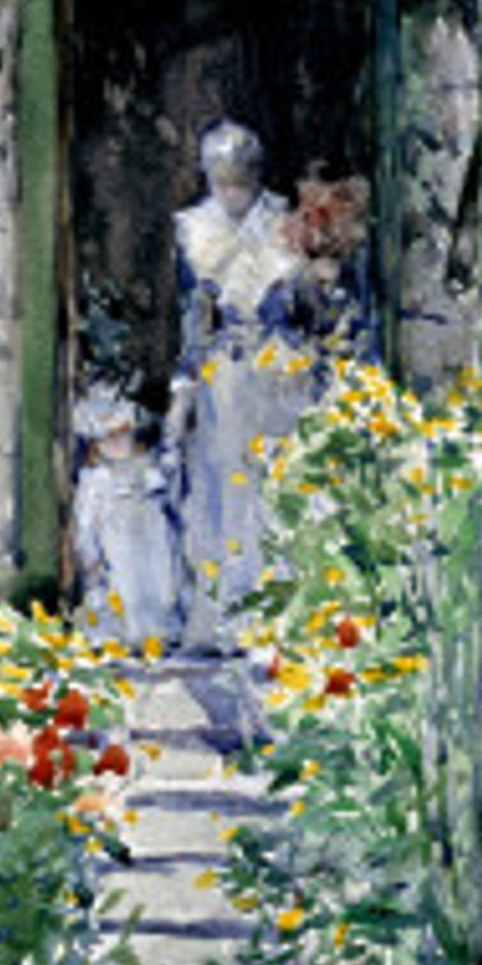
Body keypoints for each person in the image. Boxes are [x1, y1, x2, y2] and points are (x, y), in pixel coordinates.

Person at [166, 121, 315, 650]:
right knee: (219, 485)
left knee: (271, 486)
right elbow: (192, 316)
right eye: (221, 182)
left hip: (277, 373)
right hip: (222, 374)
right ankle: (221, 617)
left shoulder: (282, 221)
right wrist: (183, 389)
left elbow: (304, 309)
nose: (231, 193)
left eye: (240, 182)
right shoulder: (194, 227)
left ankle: (274, 616)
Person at [72, 388, 180, 649]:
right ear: (96, 444)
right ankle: (126, 636)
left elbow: (167, 497)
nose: (117, 444)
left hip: (151, 536)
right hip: (116, 539)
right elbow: (86, 520)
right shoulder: (96, 479)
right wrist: (89, 554)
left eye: (122, 435)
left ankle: (159, 634)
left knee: (158, 583)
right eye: (108, 438)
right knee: (124, 587)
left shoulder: (149, 468)